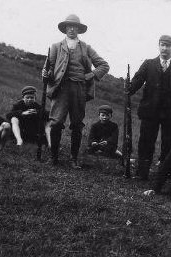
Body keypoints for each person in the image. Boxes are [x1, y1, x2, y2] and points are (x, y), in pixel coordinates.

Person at [42, 14, 109, 168]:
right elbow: (49, 68)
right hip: (61, 89)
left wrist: (91, 75)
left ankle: (74, 159)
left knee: (77, 124)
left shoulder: (86, 48)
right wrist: (45, 74)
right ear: (65, 28)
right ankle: (53, 157)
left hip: (79, 89)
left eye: (75, 27)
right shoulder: (55, 47)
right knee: (56, 122)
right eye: (69, 26)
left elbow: (104, 65)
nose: (72, 29)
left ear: (79, 29)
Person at [126, 35, 171, 179]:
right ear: (159, 46)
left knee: (168, 143)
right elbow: (137, 81)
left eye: (168, 45)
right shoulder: (148, 64)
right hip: (150, 112)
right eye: (162, 45)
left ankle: (163, 174)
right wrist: (128, 90)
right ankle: (142, 173)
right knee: (146, 141)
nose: (165, 48)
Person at [7, 86, 47, 159]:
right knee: (13, 119)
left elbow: (47, 114)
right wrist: (22, 113)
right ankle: (19, 140)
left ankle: (50, 144)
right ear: (23, 98)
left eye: (32, 98)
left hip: (33, 131)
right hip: (21, 130)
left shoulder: (37, 106)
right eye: (27, 97)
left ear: (35, 98)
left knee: (47, 122)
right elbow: (9, 115)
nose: (29, 100)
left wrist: (37, 112)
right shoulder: (18, 105)